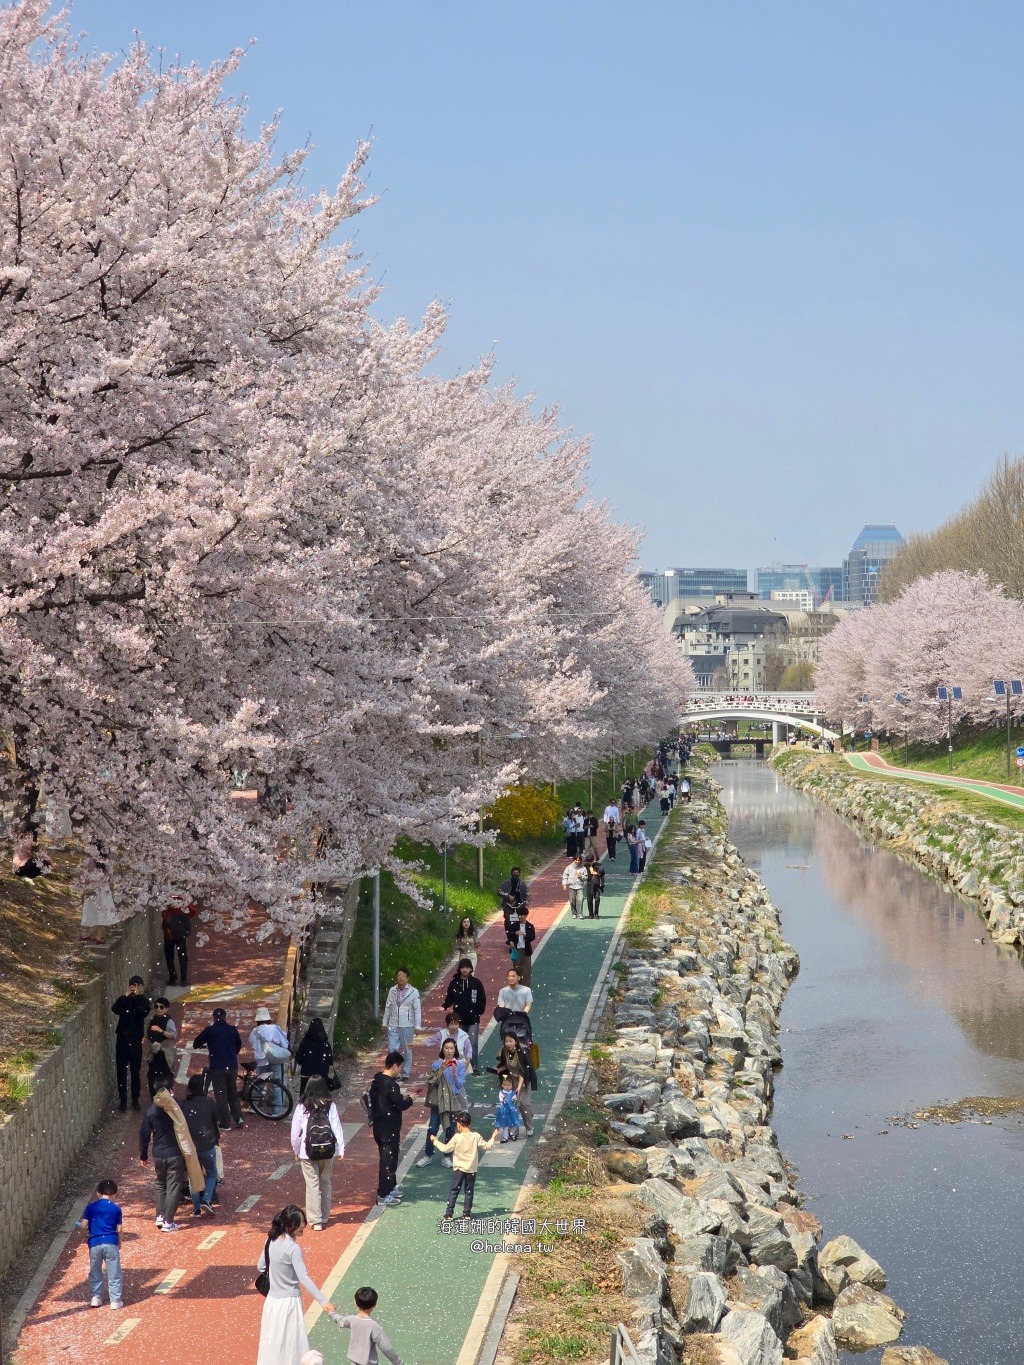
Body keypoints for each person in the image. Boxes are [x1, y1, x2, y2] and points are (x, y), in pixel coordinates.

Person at [255, 1205, 336, 1365]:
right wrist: (323, 1301)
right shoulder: (293, 1248)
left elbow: (261, 1266)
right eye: (300, 1223)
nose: (303, 1225)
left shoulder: (270, 1240)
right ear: (289, 1225)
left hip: (272, 1302)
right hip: (289, 1303)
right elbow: (304, 1278)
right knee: (292, 1345)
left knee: (271, 1343)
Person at [291, 1076, 345, 1231]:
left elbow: (295, 1132)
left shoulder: (303, 1106)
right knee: (326, 1182)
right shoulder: (330, 1105)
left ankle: (316, 1221)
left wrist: (296, 1149)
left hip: (307, 1151)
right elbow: (336, 1126)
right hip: (327, 1151)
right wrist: (341, 1148)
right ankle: (325, 1215)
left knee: (312, 1184)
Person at [368, 1051, 414, 1207]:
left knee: (387, 1157)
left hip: (379, 1126)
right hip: (389, 1128)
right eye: (400, 1067)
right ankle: (383, 1194)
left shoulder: (377, 1080)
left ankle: (391, 1186)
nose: (400, 1070)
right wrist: (410, 1099)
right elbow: (400, 1105)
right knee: (389, 1160)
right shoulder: (391, 1085)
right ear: (395, 1065)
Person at [139, 1082, 186, 1232]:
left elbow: (144, 1134)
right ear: (169, 1091)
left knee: (160, 1183)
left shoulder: (151, 1111)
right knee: (173, 1186)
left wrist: (143, 1154)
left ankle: (159, 1215)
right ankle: (168, 1221)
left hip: (158, 1153)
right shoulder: (175, 1107)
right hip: (175, 1153)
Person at [434, 1112, 499, 1219]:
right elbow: (487, 1146)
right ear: (470, 1124)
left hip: (459, 1169)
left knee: (454, 1190)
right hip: (471, 1170)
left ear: (459, 1124)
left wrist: (435, 1141)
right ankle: (466, 1214)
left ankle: (449, 1213)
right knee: (469, 1192)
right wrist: (493, 1137)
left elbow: (445, 1149)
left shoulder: (457, 1138)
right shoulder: (476, 1136)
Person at [414, 1038, 466, 1169]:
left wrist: (454, 1073)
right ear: (442, 1050)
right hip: (439, 1101)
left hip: (452, 1102)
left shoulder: (459, 1065)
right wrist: (441, 1070)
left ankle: (447, 1156)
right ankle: (428, 1155)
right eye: (446, 1048)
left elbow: (460, 1085)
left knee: (450, 1129)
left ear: (455, 1050)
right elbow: (432, 1083)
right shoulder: (436, 1065)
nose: (449, 1051)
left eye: (451, 1048)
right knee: (432, 1128)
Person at [190, 1007, 243, 1128]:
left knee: (221, 1095)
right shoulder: (232, 1029)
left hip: (217, 1067)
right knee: (232, 1092)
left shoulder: (210, 1030)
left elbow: (196, 1043)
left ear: (213, 1018)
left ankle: (225, 1123)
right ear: (225, 1017)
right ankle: (239, 1118)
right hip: (232, 1066)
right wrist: (231, 1054)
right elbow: (238, 1045)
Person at [329, 1286, 404, 1365]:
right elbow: (386, 1348)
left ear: (355, 1303)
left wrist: (332, 1312)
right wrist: (398, 1362)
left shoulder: (352, 1319)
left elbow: (340, 1320)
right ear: (374, 1305)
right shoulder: (374, 1326)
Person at [78, 1179, 123, 1309]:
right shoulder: (116, 1209)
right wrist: (119, 1243)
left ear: (98, 1193)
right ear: (114, 1194)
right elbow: (119, 1230)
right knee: (114, 1272)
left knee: (95, 1271)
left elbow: (83, 1225)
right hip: (111, 1242)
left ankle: (96, 1297)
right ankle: (115, 1300)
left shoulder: (91, 1207)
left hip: (95, 1243)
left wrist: (85, 1234)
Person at [181, 1073, 220, 1217]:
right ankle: (207, 1200)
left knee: (193, 1176)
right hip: (207, 1144)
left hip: (191, 1146)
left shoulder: (183, 1105)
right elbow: (216, 1120)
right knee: (211, 1173)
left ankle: (196, 1208)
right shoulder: (210, 1103)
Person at [111, 976, 150, 1113]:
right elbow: (115, 1009)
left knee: (135, 1071)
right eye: (133, 985)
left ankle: (135, 1099)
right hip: (122, 1039)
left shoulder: (143, 1001)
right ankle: (123, 1100)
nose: (135, 988)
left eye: (138, 985)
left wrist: (137, 997)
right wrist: (125, 995)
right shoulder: (124, 1000)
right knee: (121, 1071)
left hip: (135, 1041)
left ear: (141, 987)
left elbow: (143, 1013)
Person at [442, 959, 486, 1070]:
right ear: (459, 969)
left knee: (472, 1043)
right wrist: (444, 1006)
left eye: (467, 967)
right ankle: (459, 1065)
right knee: (459, 1043)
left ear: (471, 968)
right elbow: (450, 998)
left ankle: (474, 1066)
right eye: (462, 967)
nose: (465, 970)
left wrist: (479, 1012)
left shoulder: (476, 983)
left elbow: (482, 999)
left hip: (473, 1019)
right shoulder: (454, 983)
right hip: (458, 1020)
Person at [250, 1005, 291, 1116]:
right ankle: (276, 1110)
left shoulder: (255, 1031)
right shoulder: (275, 1028)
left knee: (260, 1082)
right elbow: (285, 1044)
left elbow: (251, 1043)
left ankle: (253, 1105)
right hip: (274, 1059)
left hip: (261, 1061)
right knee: (276, 1084)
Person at [493, 1032, 537, 1137]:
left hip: (524, 1080)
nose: (508, 1044)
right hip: (512, 1080)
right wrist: (499, 1070)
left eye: (511, 1041)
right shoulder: (505, 1051)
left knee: (524, 1105)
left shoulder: (522, 1053)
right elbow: (506, 1065)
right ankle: (514, 1131)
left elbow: (523, 1072)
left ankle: (529, 1126)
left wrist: (518, 1087)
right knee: (512, 1106)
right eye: (506, 1041)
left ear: (515, 1042)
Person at [381, 969, 421, 1081]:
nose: (400, 978)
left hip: (407, 1025)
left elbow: (417, 1009)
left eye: (403, 976)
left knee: (407, 1049)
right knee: (392, 1048)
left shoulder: (413, 992)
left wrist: (417, 1026)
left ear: (407, 978)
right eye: (399, 975)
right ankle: (393, 1072)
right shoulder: (392, 991)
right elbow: (388, 1007)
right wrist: (385, 1022)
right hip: (393, 1024)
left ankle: (406, 1072)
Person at [295, 1017, 334, 1097]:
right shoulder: (326, 1044)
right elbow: (330, 1061)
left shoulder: (305, 1042)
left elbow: (298, 1059)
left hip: (307, 1076)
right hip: (322, 1077)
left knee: (304, 1100)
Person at [161, 901, 196, 987]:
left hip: (169, 933)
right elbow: (192, 910)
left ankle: (172, 978)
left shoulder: (166, 899)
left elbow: (164, 915)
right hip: (180, 931)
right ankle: (183, 979)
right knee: (182, 956)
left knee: (169, 956)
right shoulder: (182, 898)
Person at [505, 902, 536, 986]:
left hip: (526, 951)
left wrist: (524, 934)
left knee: (526, 971)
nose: (520, 917)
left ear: (526, 915)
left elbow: (532, 937)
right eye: (519, 915)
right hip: (516, 950)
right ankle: (517, 986)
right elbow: (509, 936)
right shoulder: (514, 926)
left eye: (521, 915)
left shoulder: (530, 926)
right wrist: (511, 941)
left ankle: (526, 989)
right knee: (517, 970)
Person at [495, 1074, 522, 1143]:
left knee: (515, 1123)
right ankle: (505, 1137)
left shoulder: (513, 1092)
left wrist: (514, 1099)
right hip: (504, 1110)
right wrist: (503, 1099)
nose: (507, 1087)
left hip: (512, 1110)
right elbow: (501, 1100)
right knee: (505, 1125)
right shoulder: (501, 1093)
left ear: (512, 1085)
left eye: (509, 1085)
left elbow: (513, 1099)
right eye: (505, 1085)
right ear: (502, 1085)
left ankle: (512, 1133)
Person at [561, 853, 587, 919]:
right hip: (572, 887)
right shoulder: (569, 867)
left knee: (580, 899)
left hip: (579, 886)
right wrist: (564, 884)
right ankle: (574, 913)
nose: (577, 862)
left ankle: (580, 913)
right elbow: (565, 875)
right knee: (572, 901)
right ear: (574, 860)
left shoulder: (583, 868)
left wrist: (581, 876)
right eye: (576, 860)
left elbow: (586, 877)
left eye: (579, 860)